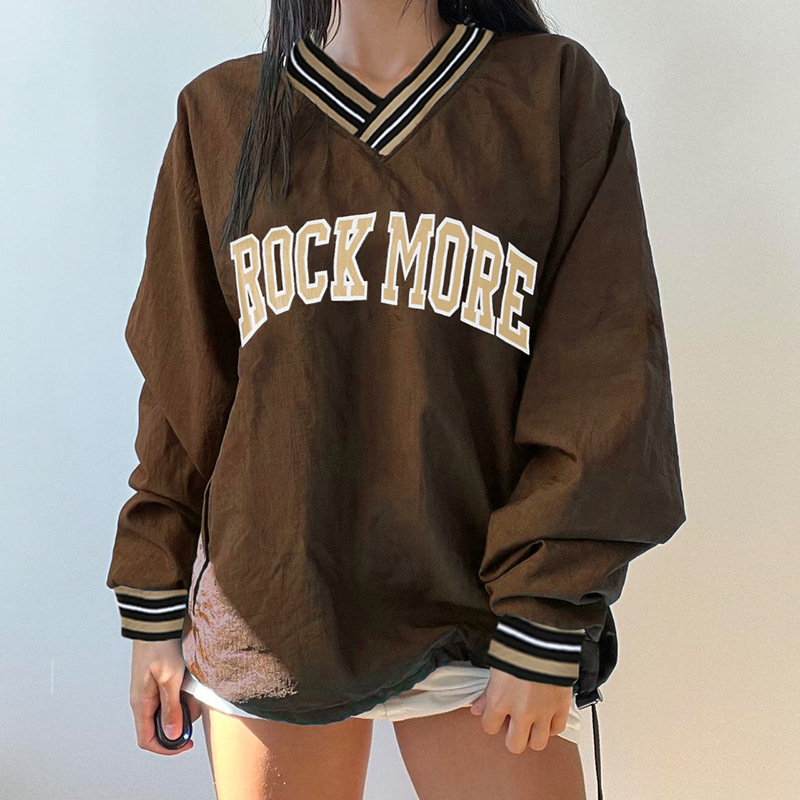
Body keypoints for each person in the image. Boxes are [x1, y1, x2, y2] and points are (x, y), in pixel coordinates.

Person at [105, 1, 686, 798]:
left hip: (483, 615)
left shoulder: (550, 95)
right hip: (274, 610)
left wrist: (547, 615)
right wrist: (154, 603)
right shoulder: (222, 113)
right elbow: (183, 388)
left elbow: (603, 371)